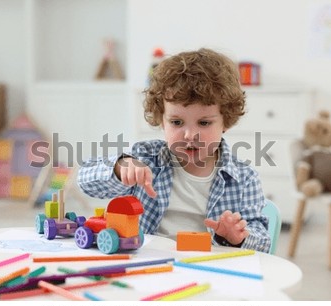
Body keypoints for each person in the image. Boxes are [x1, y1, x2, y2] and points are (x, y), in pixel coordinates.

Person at [78, 48, 271, 253]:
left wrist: (237, 237)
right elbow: (85, 180)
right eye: (177, 122)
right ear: (162, 120)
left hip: (207, 269)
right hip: (148, 263)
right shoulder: (146, 158)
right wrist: (120, 167)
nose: (189, 135)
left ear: (226, 121)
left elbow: (263, 242)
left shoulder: (244, 178)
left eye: (204, 123)